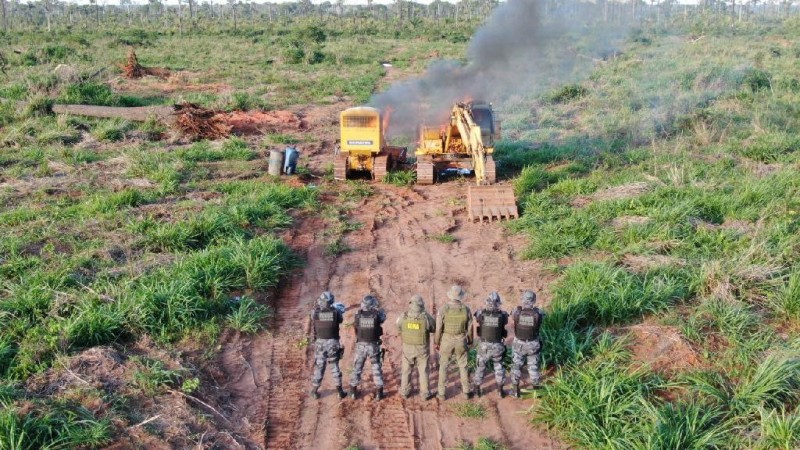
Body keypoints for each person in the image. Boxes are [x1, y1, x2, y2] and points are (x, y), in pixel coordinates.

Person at [435, 285, 474, 400]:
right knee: (463, 366)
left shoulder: (443, 309)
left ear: (450, 295)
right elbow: (470, 328)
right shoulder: (466, 309)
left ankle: (441, 393)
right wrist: (470, 341)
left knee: (443, 366)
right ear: (461, 296)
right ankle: (466, 391)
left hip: (446, 341)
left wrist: (437, 342)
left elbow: (438, 329)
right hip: (461, 340)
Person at [396, 294, 436, 400]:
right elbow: (433, 328)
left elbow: (399, 326)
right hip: (422, 349)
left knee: (406, 370)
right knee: (423, 370)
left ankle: (404, 392)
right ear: (421, 305)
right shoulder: (426, 317)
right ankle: (425, 394)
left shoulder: (404, 316)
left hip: (408, 348)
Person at [309, 291, 346, 400]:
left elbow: (314, 316)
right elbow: (341, 319)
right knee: (334, 367)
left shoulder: (314, 313)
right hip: (333, 343)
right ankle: (340, 392)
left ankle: (314, 391)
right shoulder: (336, 313)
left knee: (320, 367)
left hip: (320, 343)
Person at [349, 294, 387, 400]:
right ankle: (379, 393)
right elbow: (383, 318)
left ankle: (352, 392)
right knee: (376, 369)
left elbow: (355, 327)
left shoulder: (358, 314)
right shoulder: (377, 315)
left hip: (361, 345)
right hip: (373, 345)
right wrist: (380, 310)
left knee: (357, 368)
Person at [472, 291, 509, 398]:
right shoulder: (503, 315)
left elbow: (478, 318)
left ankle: (477, 390)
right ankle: (500, 391)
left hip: (484, 346)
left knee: (480, 368)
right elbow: (504, 323)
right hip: (497, 346)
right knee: (499, 367)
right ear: (498, 303)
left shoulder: (480, 314)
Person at [510, 290, 544, 398]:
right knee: (533, 367)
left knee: (516, 366)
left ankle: (515, 391)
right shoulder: (538, 313)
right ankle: (537, 391)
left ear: (522, 299)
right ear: (534, 301)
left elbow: (512, 314)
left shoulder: (516, 311)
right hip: (533, 344)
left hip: (519, 344)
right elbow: (542, 317)